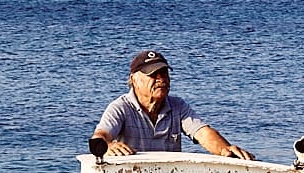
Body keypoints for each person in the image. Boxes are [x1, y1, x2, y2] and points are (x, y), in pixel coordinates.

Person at [92, 50, 254, 160]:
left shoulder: (178, 106)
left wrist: (225, 150)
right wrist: (107, 146)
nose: (161, 79)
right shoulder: (120, 107)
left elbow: (203, 133)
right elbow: (100, 135)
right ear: (134, 79)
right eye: (153, 75)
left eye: (164, 73)